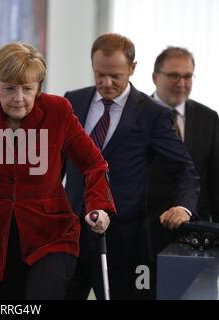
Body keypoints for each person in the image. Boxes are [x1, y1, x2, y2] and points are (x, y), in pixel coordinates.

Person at [0, 42, 116, 300]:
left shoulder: (57, 112)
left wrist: (98, 206)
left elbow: (93, 164)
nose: (18, 98)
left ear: (38, 88)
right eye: (9, 88)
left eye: (27, 89)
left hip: (50, 234)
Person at [63, 33, 200, 300]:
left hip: (124, 244)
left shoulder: (152, 113)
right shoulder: (72, 101)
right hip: (71, 238)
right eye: (99, 74)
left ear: (133, 68)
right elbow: (55, 164)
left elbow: (185, 170)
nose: (106, 83)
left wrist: (183, 207)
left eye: (115, 75)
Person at [147, 47, 219, 298]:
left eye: (188, 76)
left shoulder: (208, 118)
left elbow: (214, 180)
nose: (182, 83)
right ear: (156, 77)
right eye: (174, 75)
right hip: (145, 232)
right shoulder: (136, 115)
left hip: (195, 235)